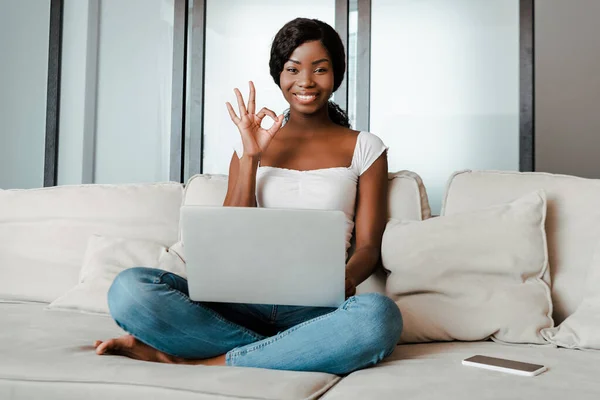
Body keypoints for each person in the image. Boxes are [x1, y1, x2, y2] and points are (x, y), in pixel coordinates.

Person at [94, 17, 402, 375]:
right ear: (279, 74)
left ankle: (205, 358)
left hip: (318, 309)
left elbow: (367, 247)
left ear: (336, 75)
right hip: (239, 303)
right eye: (293, 69)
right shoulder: (251, 145)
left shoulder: (365, 147)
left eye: (320, 69)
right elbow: (231, 232)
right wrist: (251, 157)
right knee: (129, 291)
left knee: (379, 318)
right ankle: (287, 351)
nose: (305, 81)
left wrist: (343, 280)